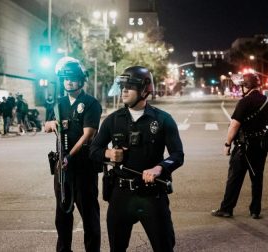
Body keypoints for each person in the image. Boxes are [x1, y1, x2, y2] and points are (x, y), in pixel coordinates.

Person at [90, 66, 184, 252]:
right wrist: (108, 154)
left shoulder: (163, 119)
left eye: (129, 87)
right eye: (122, 86)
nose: (124, 91)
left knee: (164, 246)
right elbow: (93, 150)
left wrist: (160, 168)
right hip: (121, 195)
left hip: (152, 195)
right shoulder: (113, 120)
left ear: (144, 90)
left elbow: (177, 155)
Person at [44, 57, 102, 252]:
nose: (68, 82)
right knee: (62, 215)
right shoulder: (59, 104)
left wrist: (70, 156)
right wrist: (50, 124)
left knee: (89, 216)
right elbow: (46, 125)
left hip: (83, 167)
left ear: (81, 80)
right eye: (65, 78)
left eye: (73, 78)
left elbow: (88, 135)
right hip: (62, 168)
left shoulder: (90, 103)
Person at [211, 73, 268, 219]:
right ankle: (255, 210)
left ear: (246, 86)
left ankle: (226, 209)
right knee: (257, 178)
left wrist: (227, 144)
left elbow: (234, 125)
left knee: (235, 178)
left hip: (243, 147)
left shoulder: (245, 102)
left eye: (241, 86)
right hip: (260, 146)